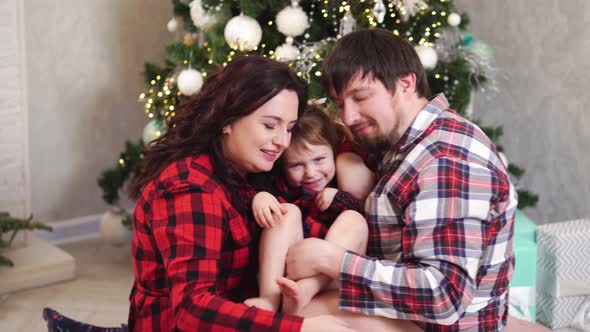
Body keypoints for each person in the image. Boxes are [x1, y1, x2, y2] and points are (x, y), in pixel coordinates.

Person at [43, 55, 355, 332]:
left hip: (238, 309)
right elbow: (193, 310)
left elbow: (303, 226)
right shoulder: (190, 188)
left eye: (288, 128)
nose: (282, 141)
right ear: (228, 121)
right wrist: (300, 328)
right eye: (270, 125)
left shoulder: (251, 172)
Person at [285, 28, 518, 332]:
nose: (350, 116)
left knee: (301, 317)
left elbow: (444, 296)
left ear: (405, 83)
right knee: (300, 307)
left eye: (361, 97)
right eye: (341, 103)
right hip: (411, 317)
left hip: (444, 324)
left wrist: (334, 261)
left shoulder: (445, 158)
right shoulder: (403, 144)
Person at [243, 107, 369, 315]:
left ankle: (307, 290)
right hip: (288, 274)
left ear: (334, 152)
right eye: (296, 165)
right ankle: (269, 298)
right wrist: (260, 197)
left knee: (354, 219)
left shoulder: (343, 182)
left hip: (329, 279)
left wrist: (339, 198)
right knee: (286, 212)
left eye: (319, 159)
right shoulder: (280, 186)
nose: (311, 173)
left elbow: (359, 218)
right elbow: (255, 193)